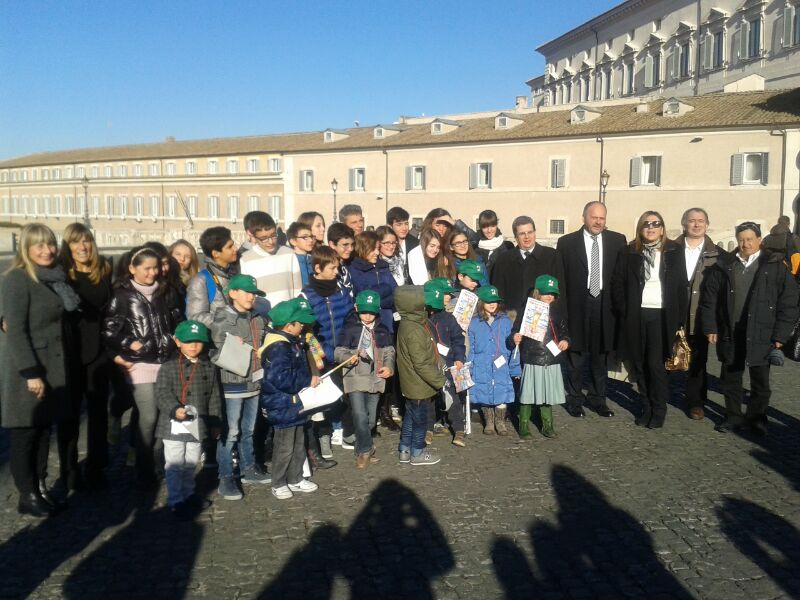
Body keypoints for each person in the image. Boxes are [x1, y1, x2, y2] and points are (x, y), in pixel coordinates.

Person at [1, 224, 79, 516]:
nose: (47, 251)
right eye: (39, 245)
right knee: (25, 432)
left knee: (43, 429)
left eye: (50, 244)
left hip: (52, 365)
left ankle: (40, 486)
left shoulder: (54, 278)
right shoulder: (18, 279)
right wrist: (31, 373)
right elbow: (16, 330)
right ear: (26, 249)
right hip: (29, 368)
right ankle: (27, 494)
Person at [700, 222, 799, 436]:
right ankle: (733, 416)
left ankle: (757, 418)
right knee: (730, 378)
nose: (745, 244)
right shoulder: (725, 265)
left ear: (759, 240)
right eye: (741, 240)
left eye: (750, 239)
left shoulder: (774, 265)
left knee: (760, 381)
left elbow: (789, 302)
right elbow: (710, 299)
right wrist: (710, 326)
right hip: (730, 331)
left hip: (762, 332)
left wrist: (781, 335)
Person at [103, 246, 181, 488]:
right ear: (132, 268)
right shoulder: (121, 295)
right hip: (139, 364)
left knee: (163, 416)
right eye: (146, 268)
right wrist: (129, 343)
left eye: (155, 268)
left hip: (165, 361)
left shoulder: (165, 291)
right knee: (148, 417)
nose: (152, 273)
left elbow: (177, 320)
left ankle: (155, 463)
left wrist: (175, 339)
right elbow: (109, 330)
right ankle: (143, 466)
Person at [612, 211, 688, 429]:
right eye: (647, 224)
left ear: (662, 229)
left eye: (656, 224)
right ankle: (646, 406)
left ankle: (659, 408)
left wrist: (680, 319)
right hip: (636, 315)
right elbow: (617, 283)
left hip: (662, 315)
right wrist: (624, 310)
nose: (651, 227)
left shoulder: (674, 251)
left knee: (656, 364)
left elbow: (681, 285)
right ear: (640, 228)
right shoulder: (628, 251)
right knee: (639, 363)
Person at [556, 201, 627, 418]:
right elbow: (562, 278)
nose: (598, 222)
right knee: (575, 356)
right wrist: (562, 309)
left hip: (605, 304)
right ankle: (575, 399)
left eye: (601, 218)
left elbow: (621, 276)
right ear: (584, 218)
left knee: (601, 355)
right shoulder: (567, 243)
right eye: (594, 217)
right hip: (578, 303)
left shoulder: (618, 241)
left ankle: (598, 399)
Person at [59, 223, 114, 490]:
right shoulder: (59, 273)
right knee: (68, 415)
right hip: (68, 351)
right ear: (67, 246)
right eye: (75, 242)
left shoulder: (104, 269)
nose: (82, 247)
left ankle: (96, 467)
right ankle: (69, 471)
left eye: (87, 240)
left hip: (98, 351)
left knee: (98, 413)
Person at [209, 274, 271, 500]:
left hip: (254, 381)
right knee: (231, 432)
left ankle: (249, 468)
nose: (251, 296)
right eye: (247, 292)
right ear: (233, 293)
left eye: (254, 293)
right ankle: (226, 476)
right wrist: (231, 344)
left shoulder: (259, 318)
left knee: (249, 430)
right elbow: (216, 350)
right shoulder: (223, 318)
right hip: (232, 384)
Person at [155, 320, 221, 517]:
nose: (193, 346)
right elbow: (162, 393)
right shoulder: (168, 367)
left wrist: (215, 422)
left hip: (197, 424)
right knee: (175, 464)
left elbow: (214, 396)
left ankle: (189, 493)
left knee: (191, 461)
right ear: (177, 342)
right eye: (188, 341)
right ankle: (176, 500)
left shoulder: (208, 367)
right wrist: (174, 408)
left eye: (198, 342)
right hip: (173, 425)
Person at [259, 298, 321, 499]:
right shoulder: (278, 347)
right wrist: (307, 380)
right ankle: (278, 482)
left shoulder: (292, 343)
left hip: (294, 404)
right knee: (284, 447)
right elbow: (280, 378)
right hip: (282, 405)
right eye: (299, 323)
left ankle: (295, 478)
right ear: (288, 325)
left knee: (298, 444)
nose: (303, 326)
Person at [301, 246, 353, 458]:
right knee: (321, 400)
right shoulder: (307, 295)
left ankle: (345, 431)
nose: (336, 272)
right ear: (317, 268)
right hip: (320, 356)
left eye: (337, 267)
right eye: (332, 268)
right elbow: (307, 332)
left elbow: (350, 319)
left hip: (342, 351)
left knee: (344, 395)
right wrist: (322, 353)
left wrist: (346, 348)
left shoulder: (341, 291)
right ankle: (323, 436)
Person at [334, 291, 396, 469]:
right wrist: (350, 356)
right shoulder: (349, 329)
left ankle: (364, 447)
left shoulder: (382, 329)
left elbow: (389, 351)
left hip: (376, 379)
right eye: (364, 312)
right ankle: (364, 451)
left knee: (370, 420)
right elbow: (338, 352)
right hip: (355, 378)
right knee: (360, 415)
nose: (367, 316)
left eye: (371, 312)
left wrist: (389, 367)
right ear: (356, 308)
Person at [675, 208, 725, 420]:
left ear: (707, 224)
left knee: (698, 361)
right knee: (665, 356)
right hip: (673, 314)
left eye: (701, 221)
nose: (696, 225)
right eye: (692, 221)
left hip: (700, 315)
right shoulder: (670, 249)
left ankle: (696, 402)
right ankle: (656, 397)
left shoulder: (718, 255)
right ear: (684, 224)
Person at [511, 275, 570, 438]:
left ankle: (547, 425)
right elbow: (515, 330)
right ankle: (523, 424)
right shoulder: (527, 310)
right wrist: (515, 337)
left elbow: (564, 332)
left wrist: (565, 340)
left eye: (552, 293)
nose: (549, 296)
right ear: (538, 293)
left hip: (551, 359)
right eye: (546, 293)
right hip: (532, 357)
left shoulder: (557, 312)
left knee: (547, 394)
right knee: (527, 393)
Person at [394, 285, 446, 466]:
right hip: (418, 383)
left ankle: (404, 449)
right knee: (420, 420)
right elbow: (421, 363)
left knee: (410, 417)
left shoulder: (409, 323)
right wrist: (440, 381)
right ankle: (417, 452)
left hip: (412, 382)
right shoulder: (414, 329)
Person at [424, 278, 468, 447]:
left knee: (452, 397)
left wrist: (459, 358)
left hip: (448, 364)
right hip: (428, 365)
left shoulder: (449, 318)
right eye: (445, 294)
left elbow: (458, 340)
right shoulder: (422, 319)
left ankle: (459, 429)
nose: (448, 297)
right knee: (428, 398)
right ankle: (428, 428)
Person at [468, 285, 516, 435]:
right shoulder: (474, 322)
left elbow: (513, 348)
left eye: (494, 301)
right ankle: (489, 422)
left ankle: (500, 421)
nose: (492, 304)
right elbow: (471, 347)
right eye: (488, 301)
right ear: (481, 302)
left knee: (501, 392)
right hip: (481, 364)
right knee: (484, 392)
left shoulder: (505, 321)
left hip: (501, 364)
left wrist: (515, 368)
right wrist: (469, 366)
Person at [491, 216, 562, 314]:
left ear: (534, 233)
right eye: (522, 233)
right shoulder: (503, 260)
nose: (527, 237)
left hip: (543, 316)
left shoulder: (552, 256)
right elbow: (498, 294)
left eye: (530, 232)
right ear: (516, 237)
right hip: (511, 317)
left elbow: (560, 292)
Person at [240, 211, 302, 308]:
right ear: (254, 237)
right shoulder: (245, 259)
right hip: (262, 315)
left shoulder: (289, 254)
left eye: (273, 236)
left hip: (289, 314)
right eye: (264, 238)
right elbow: (248, 293)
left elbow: (298, 290)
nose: (270, 242)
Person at [187, 226, 239, 326]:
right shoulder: (201, 280)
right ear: (216, 254)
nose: (235, 249)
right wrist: (228, 320)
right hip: (216, 335)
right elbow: (195, 317)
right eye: (230, 247)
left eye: (234, 245)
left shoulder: (234, 274)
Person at [349, 230, 398, 332]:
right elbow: (365, 296)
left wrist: (378, 302)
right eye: (373, 249)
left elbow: (396, 292)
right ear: (363, 248)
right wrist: (386, 288)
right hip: (368, 323)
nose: (377, 252)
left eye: (377, 248)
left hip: (388, 320)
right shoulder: (355, 269)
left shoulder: (383, 266)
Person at [473, 209, 514, 277]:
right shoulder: (474, 247)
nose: (489, 230)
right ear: (480, 227)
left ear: (496, 225)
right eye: (485, 227)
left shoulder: (508, 247)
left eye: (492, 226)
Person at [386, 206, 418, 283]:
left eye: (406, 224)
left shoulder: (416, 244)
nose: (404, 228)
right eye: (399, 224)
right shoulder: (383, 245)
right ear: (390, 226)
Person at [328, 222, 356, 298]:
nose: (350, 249)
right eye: (345, 245)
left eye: (352, 244)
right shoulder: (327, 270)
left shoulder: (349, 264)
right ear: (332, 244)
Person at [286, 221, 315, 286]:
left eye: (311, 236)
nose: (311, 240)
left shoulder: (313, 260)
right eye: (305, 237)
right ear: (293, 241)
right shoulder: (290, 262)